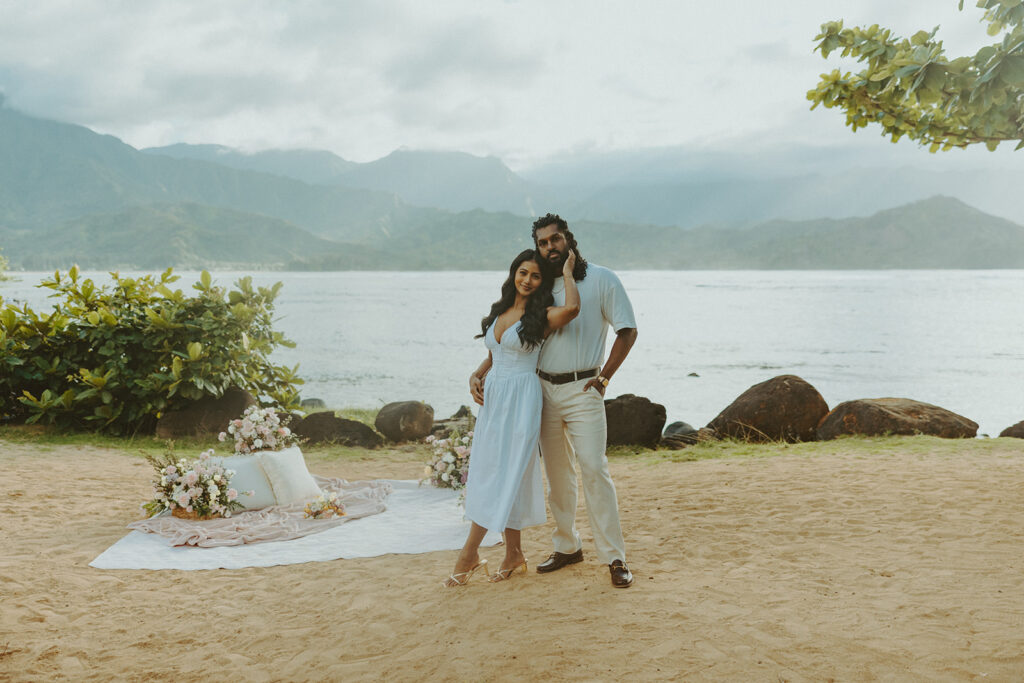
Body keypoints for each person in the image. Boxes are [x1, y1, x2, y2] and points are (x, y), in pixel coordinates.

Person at [471, 213, 638, 588]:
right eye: (543, 242)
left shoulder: (603, 279)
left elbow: (627, 331)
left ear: (568, 239)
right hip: (540, 390)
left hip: (584, 389)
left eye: (555, 239)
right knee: (557, 476)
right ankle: (567, 546)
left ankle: (614, 557)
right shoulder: (538, 284)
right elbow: (512, 335)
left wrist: (605, 376)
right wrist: (481, 371)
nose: (549, 247)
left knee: (594, 469)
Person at [445, 248, 580, 587]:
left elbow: (574, 309)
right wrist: (476, 374)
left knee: (505, 472)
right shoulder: (501, 309)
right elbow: (495, 352)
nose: (528, 280)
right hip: (493, 399)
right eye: (523, 272)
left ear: (542, 281)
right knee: (492, 470)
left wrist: (567, 273)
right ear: (513, 273)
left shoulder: (543, 315)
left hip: (522, 396)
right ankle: (513, 552)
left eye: (535, 276)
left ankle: (469, 554)